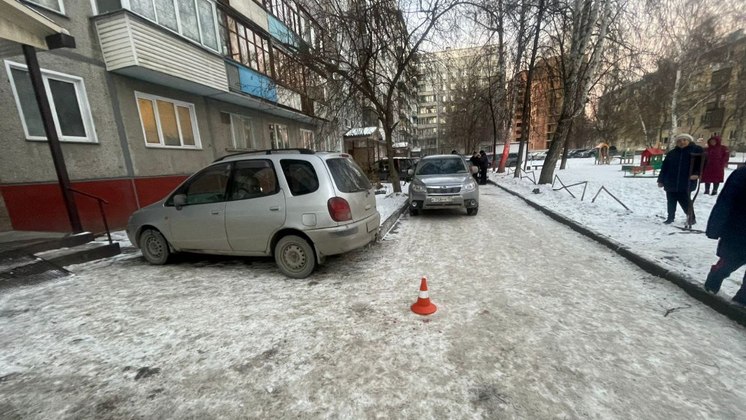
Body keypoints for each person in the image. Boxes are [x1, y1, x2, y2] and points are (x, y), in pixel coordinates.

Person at [703, 165, 746, 305]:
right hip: (738, 229)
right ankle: (713, 282)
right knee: (729, 262)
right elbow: (725, 201)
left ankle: (741, 301)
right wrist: (715, 227)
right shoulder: (742, 174)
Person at [656, 133, 703, 225]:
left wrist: (697, 174)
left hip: (686, 181)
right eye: (679, 141)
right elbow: (665, 167)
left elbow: (702, 163)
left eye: (684, 140)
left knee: (685, 200)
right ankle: (670, 217)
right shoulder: (672, 153)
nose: (682, 142)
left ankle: (691, 218)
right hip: (670, 181)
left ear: (689, 141)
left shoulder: (695, 151)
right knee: (671, 200)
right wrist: (660, 180)